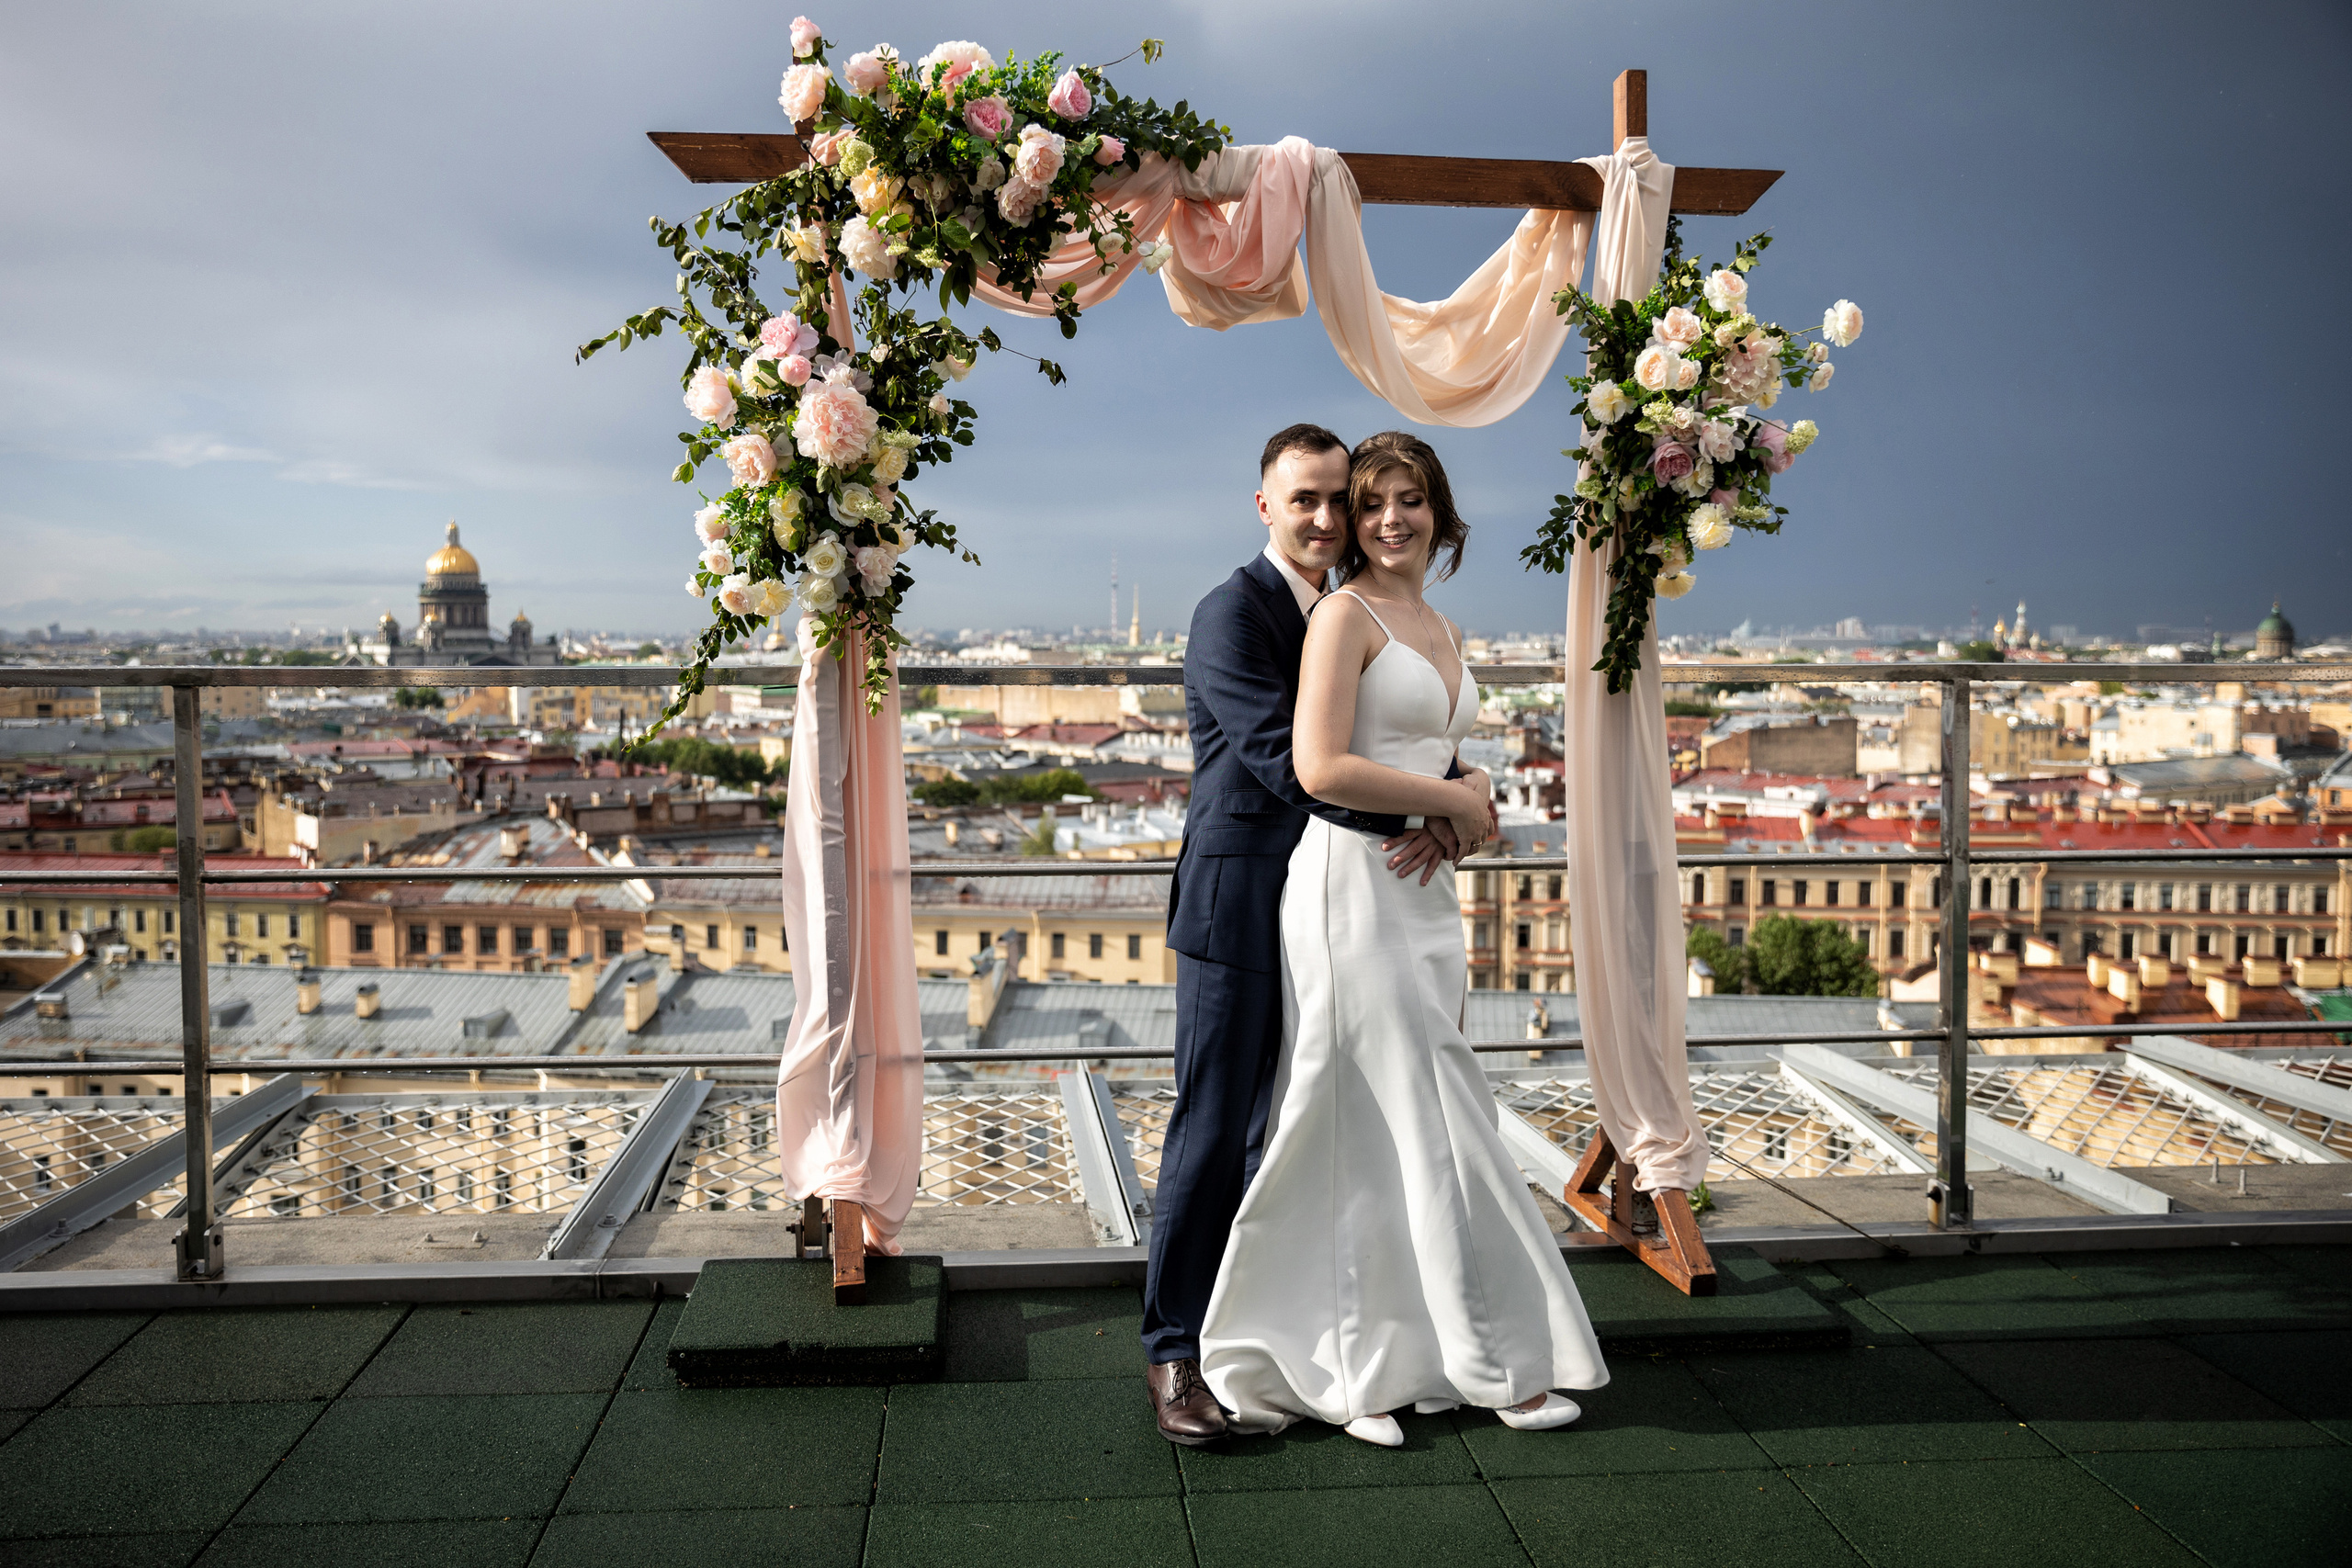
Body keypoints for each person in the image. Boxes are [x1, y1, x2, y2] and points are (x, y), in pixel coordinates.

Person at [1196, 430, 1607, 1445]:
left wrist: (1465, 800)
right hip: (1351, 890)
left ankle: (1362, 1365)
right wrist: (1456, 798)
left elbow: (1442, 755)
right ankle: (1490, 1363)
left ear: (1439, 511)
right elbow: (1322, 766)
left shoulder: (1440, 621)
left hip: (1419, 894)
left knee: (1364, 1128)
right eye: (1367, 502)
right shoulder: (1342, 616)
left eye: (1406, 499)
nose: (1383, 519)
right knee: (1431, 1112)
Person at [1142, 423, 1466, 1446]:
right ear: (1264, 506)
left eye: (1340, 500)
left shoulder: (1347, 610)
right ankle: (1173, 1353)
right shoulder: (1230, 613)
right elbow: (1294, 763)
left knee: (1294, 1129)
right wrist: (1430, 814)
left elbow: (1391, 740)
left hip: (1331, 904)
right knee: (1213, 1128)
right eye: (1306, 502)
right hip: (1240, 906)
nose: (1328, 520)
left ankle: (1281, 1339)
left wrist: (1467, 788)